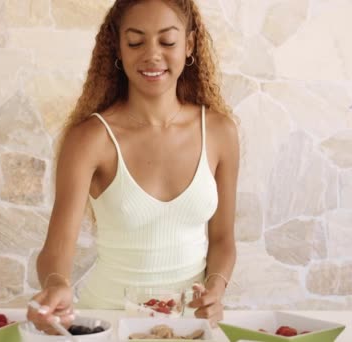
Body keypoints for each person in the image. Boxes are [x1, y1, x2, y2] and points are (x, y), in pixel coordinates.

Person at [27, 0, 239, 333]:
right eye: (136, 42)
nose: (152, 55)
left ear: (189, 44)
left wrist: (216, 287)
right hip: (109, 324)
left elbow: (224, 238)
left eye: (167, 41)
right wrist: (56, 284)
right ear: (118, 47)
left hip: (189, 328)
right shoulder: (91, 138)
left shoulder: (219, 132)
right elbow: (55, 250)